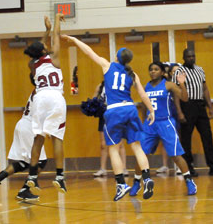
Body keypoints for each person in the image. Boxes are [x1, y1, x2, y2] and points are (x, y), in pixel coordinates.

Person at [62, 35, 156, 201]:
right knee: (136, 146)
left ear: (116, 58)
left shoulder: (107, 66)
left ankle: (121, 184)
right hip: (130, 109)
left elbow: (89, 52)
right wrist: (151, 110)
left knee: (112, 148)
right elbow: (142, 94)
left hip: (114, 111)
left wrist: (74, 40)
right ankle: (147, 178)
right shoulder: (132, 74)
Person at [0, 20, 52, 201]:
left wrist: (46, 31)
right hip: (28, 127)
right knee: (40, 162)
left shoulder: (39, 79)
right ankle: (25, 189)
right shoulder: (43, 87)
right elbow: (41, 52)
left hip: (23, 125)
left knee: (24, 162)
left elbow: (39, 51)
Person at [130, 62, 197, 196]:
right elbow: (143, 106)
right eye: (151, 69)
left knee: (176, 155)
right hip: (150, 124)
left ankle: (189, 181)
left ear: (162, 72)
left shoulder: (168, 85)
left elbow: (184, 98)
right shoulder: (145, 87)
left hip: (165, 122)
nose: (153, 72)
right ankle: (137, 182)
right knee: (142, 155)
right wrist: (144, 122)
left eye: (156, 69)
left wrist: (182, 84)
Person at [23, 14, 67, 195]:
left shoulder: (32, 64)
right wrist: (56, 20)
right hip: (55, 97)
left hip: (39, 98)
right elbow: (56, 36)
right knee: (56, 137)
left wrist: (46, 30)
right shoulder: (54, 57)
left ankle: (32, 176)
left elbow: (40, 47)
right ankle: (59, 177)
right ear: (44, 51)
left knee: (38, 138)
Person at [174, 49, 213, 176]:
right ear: (183, 57)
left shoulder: (200, 70)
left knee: (207, 136)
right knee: (186, 138)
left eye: (193, 56)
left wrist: (210, 107)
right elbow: (176, 93)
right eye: (188, 56)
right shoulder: (179, 71)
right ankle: (189, 168)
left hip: (200, 105)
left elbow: (205, 89)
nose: (191, 58)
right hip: (186, 105)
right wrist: (179, 112)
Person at [92, 81, 128, 177]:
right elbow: (93, 100)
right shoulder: (100, 85)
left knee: (120, 144)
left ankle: (123, 168)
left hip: (117, 115)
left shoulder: (119, 85)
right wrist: (95, 104)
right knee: (103, 144)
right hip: (104, 116)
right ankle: (103, 169)